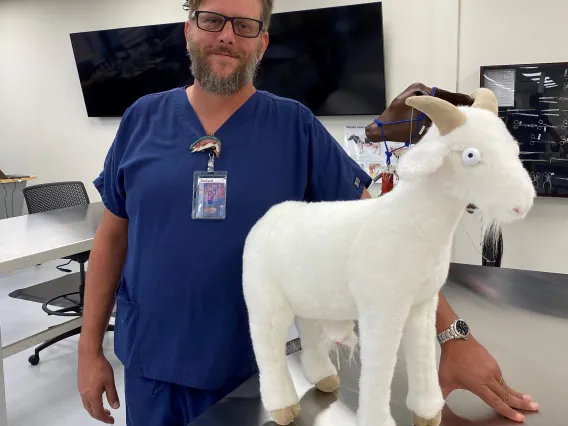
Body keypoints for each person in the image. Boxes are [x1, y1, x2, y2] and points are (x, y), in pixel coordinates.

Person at [77, 0, 539, 425]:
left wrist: (452, 336)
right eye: (211, 19)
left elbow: (392, 237)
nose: (226, 36)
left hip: (255, 372)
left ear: (263, 41)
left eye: (245, 25)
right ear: (188, 28)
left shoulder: (295, 126)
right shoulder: (142, 119)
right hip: (152, 363)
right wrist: (88, 346)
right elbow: (113, 235)